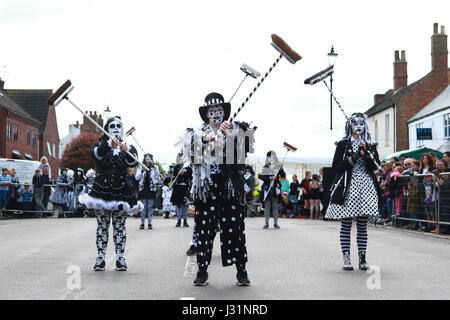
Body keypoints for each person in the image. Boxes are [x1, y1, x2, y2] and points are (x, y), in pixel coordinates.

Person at [176, 92, 255, 286]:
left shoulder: (235, 128)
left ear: (224, 113)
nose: (216, 114)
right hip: (208, 191)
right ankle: (202, 271)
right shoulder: (196, 133)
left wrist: (233, 135)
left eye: (219, 111)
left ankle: (241, 272)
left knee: (235, 231)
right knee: (204, 231)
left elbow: (247, 149)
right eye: (212, 111)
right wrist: (211, 141)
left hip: (230, 190)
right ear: (206, 115)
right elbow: (192, 158)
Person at [78, 116, 141, 272]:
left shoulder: (128, 147)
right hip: (101, 191)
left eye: (118, 126)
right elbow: (96, 155)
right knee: (102, 226)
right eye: (111, 126)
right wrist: (109, 145)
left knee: (120, 226)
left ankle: (120, 258)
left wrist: (125, 150)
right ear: (106, 129)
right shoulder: (99, 145)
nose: (115, 128)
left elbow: (133, 163)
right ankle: (101, 258)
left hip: (121, 192)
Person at [325, 113, 381, 271]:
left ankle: (362, 258)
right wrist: (353, 158)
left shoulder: (370, 144)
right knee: (346, 223)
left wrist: (368, 154)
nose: (358, 127)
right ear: (350, 126)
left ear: (365, 126)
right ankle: (346, 257)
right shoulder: (343, 144)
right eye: (355, 124)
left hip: (366, 186)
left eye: (361, 124)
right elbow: (336, 166)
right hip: (347, 186)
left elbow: (375, 166)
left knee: (362, 224)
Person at [135, 153, 160, 229]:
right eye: (146, 160)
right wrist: (142, 171)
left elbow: (157, 174)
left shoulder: (153, 168)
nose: (147, 162)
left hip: (151, 189)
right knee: (143, 206)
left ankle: (149, 223)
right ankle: (142, 223)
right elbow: (137, 178)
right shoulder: (140, 167)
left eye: (149, 160)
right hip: (142, 189)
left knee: (150, 206)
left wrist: (154, 165)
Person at [260, 151, 282, 229]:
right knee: (267, 206)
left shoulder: (277, 166)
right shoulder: (265, 167)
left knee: (275, 206)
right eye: (270, 157)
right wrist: (270, 178)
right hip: (267, 189)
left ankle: (276, 223)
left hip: (275, 189)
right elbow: (262, 177)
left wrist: (281, 167)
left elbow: (282, 174)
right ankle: (266, 222)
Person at [171, 153, 193, 227]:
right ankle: (179, 220)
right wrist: (178, 174)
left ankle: (185, 220)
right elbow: (174, 177)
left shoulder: (188, 167)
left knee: (185, 205)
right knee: (178, 205)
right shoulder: (176, 168)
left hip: (186, 188)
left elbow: (191, 176)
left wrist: (185, 173)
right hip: (178, 188)